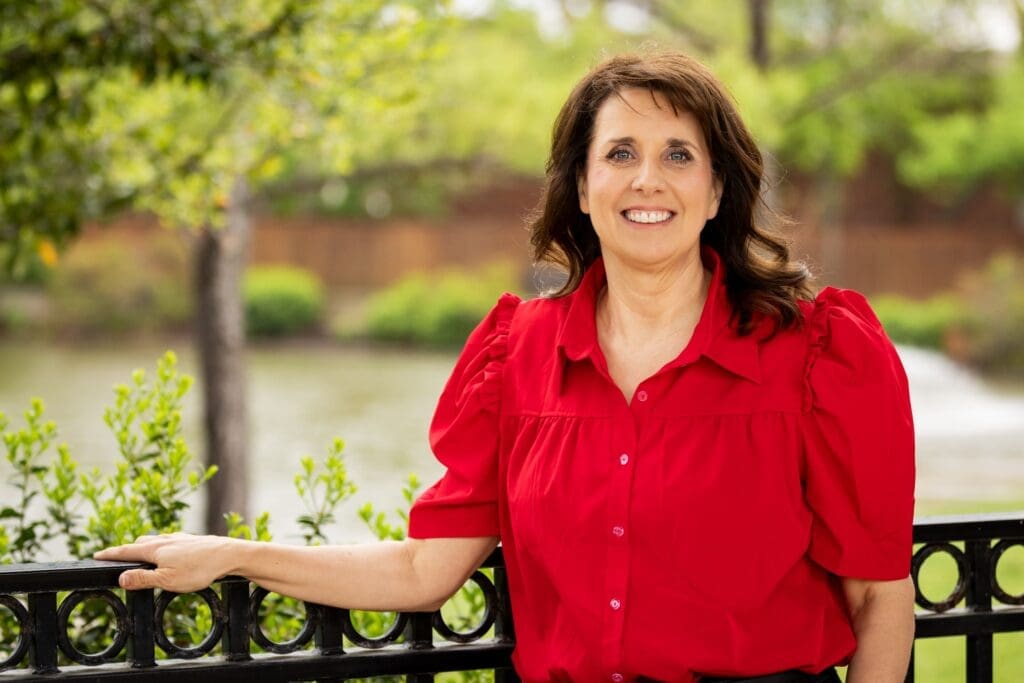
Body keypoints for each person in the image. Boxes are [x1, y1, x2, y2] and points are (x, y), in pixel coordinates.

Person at [95, 51, 916, 683]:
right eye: (619, 152)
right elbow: (425, 569)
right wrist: (236, 555)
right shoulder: (518, 354)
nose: (646, 178)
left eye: (678, 155)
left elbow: (879, 597)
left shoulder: (815, 353)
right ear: (585, 191)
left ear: (716, 192)